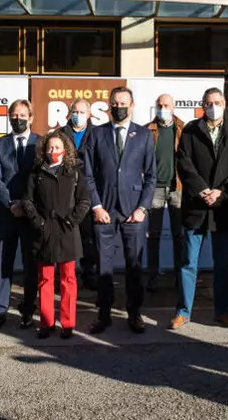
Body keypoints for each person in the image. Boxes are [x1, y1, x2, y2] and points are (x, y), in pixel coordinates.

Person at [171, 88, 228, 330]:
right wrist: (203, 190)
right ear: (203, 106)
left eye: (217, 102)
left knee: (222, 264)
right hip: (196, 206)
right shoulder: (192, 130)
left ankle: (222, 311)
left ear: (224, 104)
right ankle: (183, 311)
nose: (213, 106)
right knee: (188, 262)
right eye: (208, 103)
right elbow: (183, 163)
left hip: (223, 208)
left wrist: (221, 192)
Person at [81, 86, 156, 334]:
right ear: (108, 105)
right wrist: (96, 205)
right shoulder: (96, 134)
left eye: (123, 102)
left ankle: (135, 314)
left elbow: (152, 177)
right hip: (104, 211)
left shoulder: (144, 135)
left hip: (134, 212)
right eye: (114, 102)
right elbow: (87, 173)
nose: (119, 106)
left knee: (134, 267)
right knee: (104, 266)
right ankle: (103, 315)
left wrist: (143, 208)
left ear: (132, 105)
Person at [22, 130, 91, 339]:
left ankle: (68, 324)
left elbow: (84, 201)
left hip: (67, 232)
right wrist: (39, 223)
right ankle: (46, 322)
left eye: (57, 147)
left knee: (68, 279)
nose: (53, 151)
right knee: (45, 279)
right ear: (44, 150)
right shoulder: (36, 173)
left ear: (65, 150)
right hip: (44, 233)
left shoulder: (75, 172)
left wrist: (71, 221)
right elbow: (27, 201)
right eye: (50, 147)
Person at [0, 99, 39, 331]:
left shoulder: (41, 144)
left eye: (22, 115)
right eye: (13, 115)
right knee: (2, 264)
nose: (17, 119)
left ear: (31, 118)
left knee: (31, 264)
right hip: (5, 213)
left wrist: (24, 205)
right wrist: (10, 203)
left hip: (31, 214)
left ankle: (28, 310)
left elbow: (41, 180)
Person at [145, 94, 185, 293]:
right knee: (153, 235)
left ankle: (180, 275)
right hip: (155, 188)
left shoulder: (183, 129)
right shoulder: (148, 130)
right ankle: (153, 275)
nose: (163, 108)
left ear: (174, 106)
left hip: (177, 187)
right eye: (159, 105)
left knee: (179, 234)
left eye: (166, 105)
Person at [61, 98, 98, 289]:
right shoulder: (60, 134)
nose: (78, 115)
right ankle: (67, 274)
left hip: (88, 191)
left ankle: (89, 272)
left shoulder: (97, 134)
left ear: (89, 114)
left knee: (88, 235)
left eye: (82, 112)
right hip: (65, 192)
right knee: (65, 232)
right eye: (75, 111)